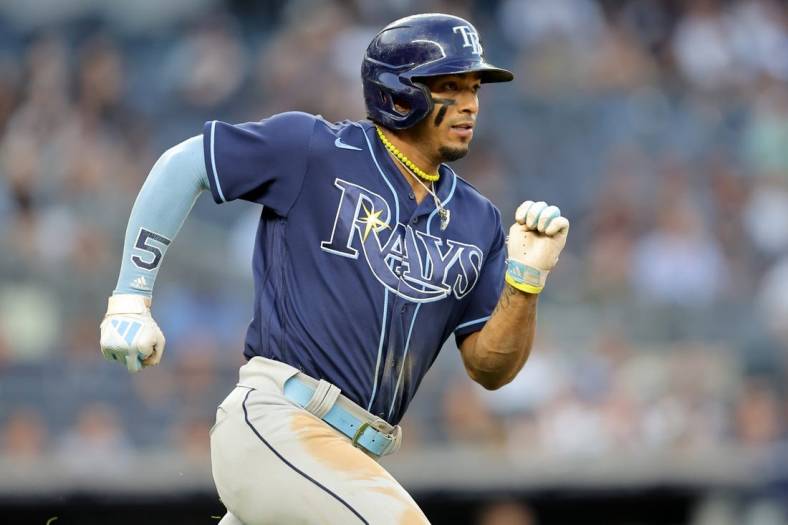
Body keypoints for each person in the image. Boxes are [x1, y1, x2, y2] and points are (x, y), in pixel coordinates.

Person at [99, 13, 569, 525]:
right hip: (280, 421)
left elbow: (489, 368)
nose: (471, 103)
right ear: (398, 91)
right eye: (449, 86)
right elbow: (187, 164)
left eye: (474, 87)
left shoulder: (478, 219)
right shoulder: (316, 149)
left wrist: (524, 283)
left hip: (349, 459)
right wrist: (131, 295)